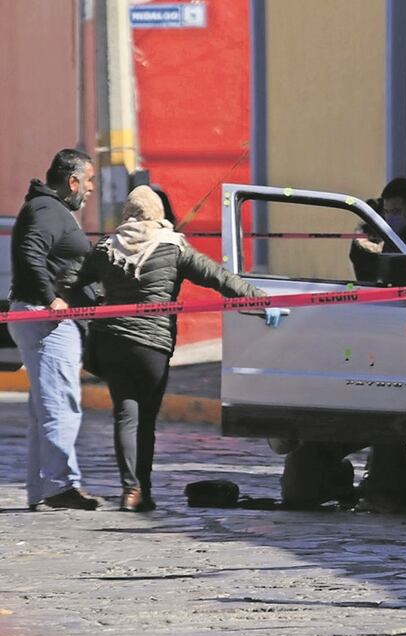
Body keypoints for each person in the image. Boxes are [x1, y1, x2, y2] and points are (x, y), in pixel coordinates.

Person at [75, 186, 281, 511]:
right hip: (152, 347)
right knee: (145, 421)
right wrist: (261, 300)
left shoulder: (107, 246)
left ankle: (131, 491)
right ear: (158, 213)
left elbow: (72, 281)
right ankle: (143, 490)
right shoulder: (173, 246)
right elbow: (218, 278)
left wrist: (95, 305)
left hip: (113, 342)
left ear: (127, 213)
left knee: (125, 416)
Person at [8, 148, 101, 511]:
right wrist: (52, 299)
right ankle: (62, 485)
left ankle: (42, 487)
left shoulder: (48, 209)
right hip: (47, 319)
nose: (91, 188)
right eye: (89, 181)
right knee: (61, 404)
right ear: (72, 181)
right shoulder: (46, 210)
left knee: (46, 407)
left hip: (42, 317)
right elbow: (31, 252)